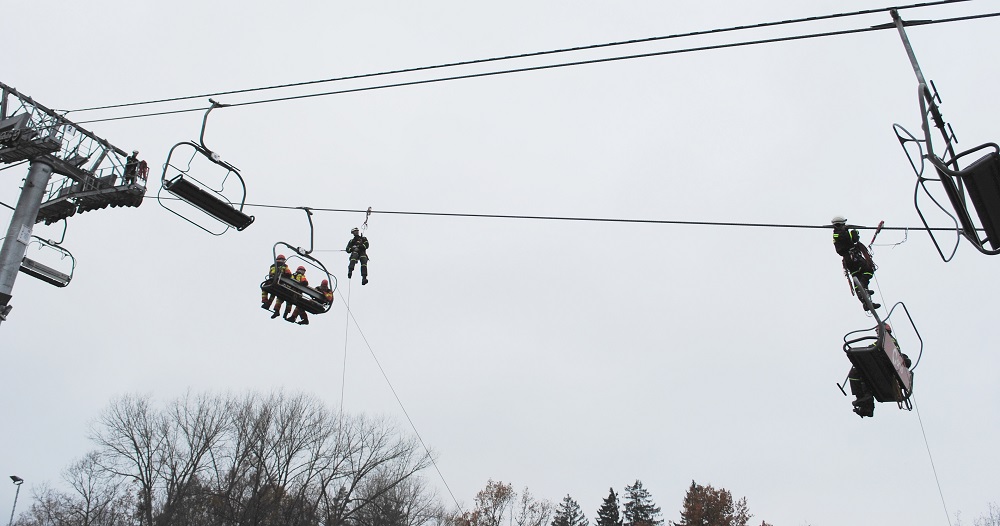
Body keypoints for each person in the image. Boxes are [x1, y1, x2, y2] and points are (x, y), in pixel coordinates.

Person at [832, 216, 879, 311]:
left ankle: (866, 302)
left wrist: (854, 233)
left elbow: (854, 240)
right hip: (852, 257)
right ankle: (863, 288)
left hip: (849, 259)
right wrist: (849, 232)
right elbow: (845, 238)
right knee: (868, 270)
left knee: (857, 276)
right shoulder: (837, 234)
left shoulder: (842, 233)